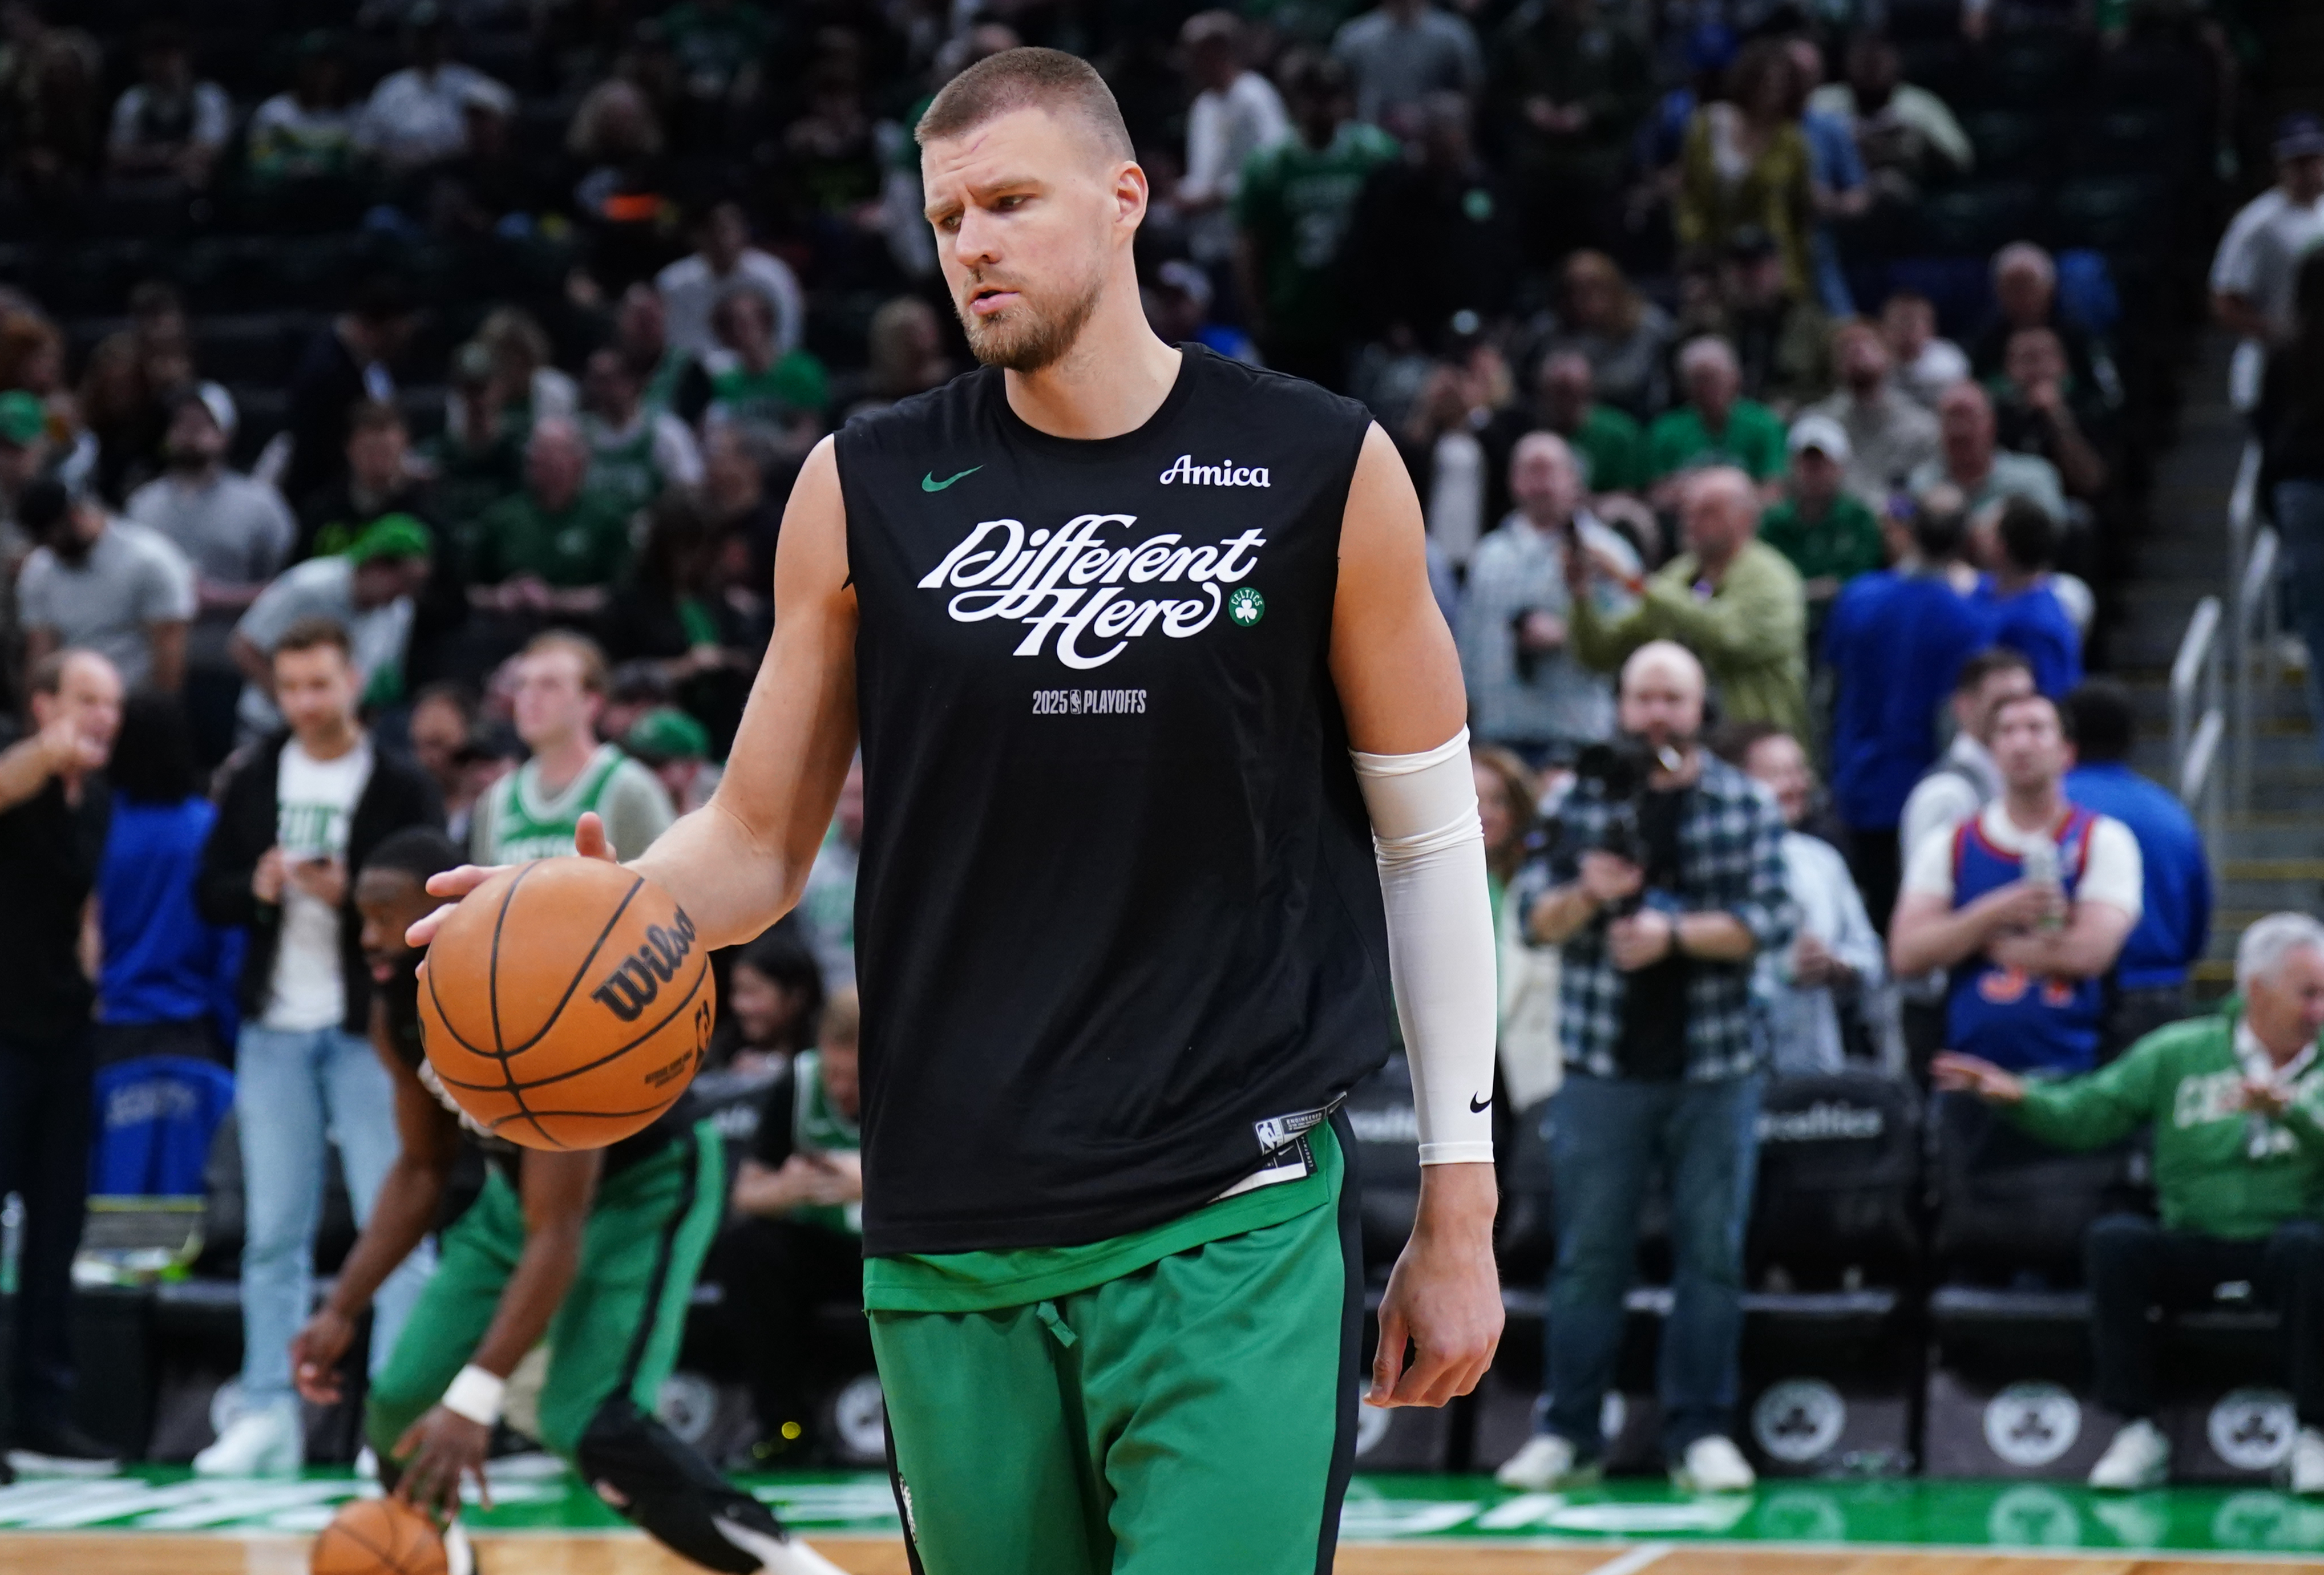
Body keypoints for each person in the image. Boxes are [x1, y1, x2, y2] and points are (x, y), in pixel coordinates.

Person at [413, 47, 1501, 1570]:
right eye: (946, 218)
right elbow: (756, 841)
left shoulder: (1318, 465)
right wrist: (595, 912)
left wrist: (1460, 1206)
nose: (973, 243)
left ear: (1125, 200)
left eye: (1009, 201)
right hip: (949, 1226)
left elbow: (1431, 842)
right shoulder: (866, 484)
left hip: (1230, 1213)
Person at [294, 828, 844, 1573]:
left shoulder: (541, 1003)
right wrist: (341, 1307)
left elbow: (559, 1232)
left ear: (448, 908)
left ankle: (795, 1567)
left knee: (588, 1421)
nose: (368, 938)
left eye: (385, 914)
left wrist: (480, 1396)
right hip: (511, 1192)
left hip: (643, 1186)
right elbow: (423, 1172)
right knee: (398, 1405)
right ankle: (446, 1559)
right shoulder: (397, 1016)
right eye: (361, 916)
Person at [1502, 641, 1793, 1493]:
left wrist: (1671, 934)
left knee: (1712, 1254)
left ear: (1700, 709)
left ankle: (1699, 1431)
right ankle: (1568, 1429)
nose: (1656, 714)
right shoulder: (1580, 801)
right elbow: (1530, 920)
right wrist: (1589, 894)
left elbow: (1771, 921)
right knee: (1588, 1255)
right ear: (1620, 708)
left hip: (1716, 1065)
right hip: (1601, 1063)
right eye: (1642, 698)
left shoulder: (1743, 802)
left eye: (1673, 698)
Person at [1933, 912, 2324, 1495]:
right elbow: (2090, 1113)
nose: (2319, 1009)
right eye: (2309, 993)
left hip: (2285, 1242)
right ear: (2256, 992)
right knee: (2116, 1241)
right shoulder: (2178, 1052)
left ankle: (2312, 1435)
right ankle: (2136, 1430)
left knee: (2310, 1248)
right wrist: (2021, 1097)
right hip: (2194, 1237)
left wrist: (2289, 1110)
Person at [192, 618, 440, 1476]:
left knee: (398, 1224)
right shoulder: (256, 773)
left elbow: (435, 888)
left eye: (318, 684)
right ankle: (267, 1410)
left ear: (354, 681)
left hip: (372, 1031)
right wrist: (256, 889)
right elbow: (209, 894)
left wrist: (354, 900)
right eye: (289, 687)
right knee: (272, 1232)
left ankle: (393, 1415)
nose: (303, 702)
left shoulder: (399, 780)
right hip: (273, 1025)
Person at [0, 650, 123, 1477]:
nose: (103, 715)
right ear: (42, 705)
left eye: (112, 702)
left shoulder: (99, 796)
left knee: (58, 1228)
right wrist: (46, 752)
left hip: (65, 1030)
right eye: (85, 699)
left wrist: (94, 974)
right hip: (1, 1031)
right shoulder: (20, 766)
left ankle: (41, 1414)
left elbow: (84, 900)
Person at [1890, 690, 2141, 1078]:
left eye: (2036, 729)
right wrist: (1993, 913)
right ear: (1991, 752)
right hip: (1969, 1069)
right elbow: (1906, 953)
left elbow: (2089, 953)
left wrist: (1977, 944)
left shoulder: (2103, 839)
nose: (2020, 743)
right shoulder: (1951, 843)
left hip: (2074, 1072)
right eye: (2006, 732)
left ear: (2066, 752)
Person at [719, 989, 866, 1465]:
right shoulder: (799, 1082)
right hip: (827, 1251)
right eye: (835, 1073)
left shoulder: (912, 1084)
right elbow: (746, 1193)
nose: (842, 1089)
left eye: (854, 1077)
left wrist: (868, 1183)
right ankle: (785, 1426)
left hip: (893, 1247)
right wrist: (788, 1188)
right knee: (749, 1247)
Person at [1569, 464, 1810, 742]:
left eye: (1708, 512)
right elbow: (1601, 653)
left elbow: (1732, 638)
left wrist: (1636, 583)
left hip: (1759, 746)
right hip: (1686, 746)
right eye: (1687, 511)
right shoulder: (1677, 578)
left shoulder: (1773, 579)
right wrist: (1580, 594)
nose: (1692, 521)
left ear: (1745, 519)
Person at [126, 386, 294, 756]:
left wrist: (221, 598)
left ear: (226, 433)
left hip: (231, 665)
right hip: (157, 670)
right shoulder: (143, 506)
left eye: (204, 423)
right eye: (182, 423)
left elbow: (288, 589)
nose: (191, 432)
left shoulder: (260, 506)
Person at [1456, 431, 1635, 763]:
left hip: (1578, 732)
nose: (1540, 483)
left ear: (1575, 479)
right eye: (1530, 471)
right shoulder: (1488, 555)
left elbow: (1633, 637)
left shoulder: (1608, 553)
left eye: (1549, 470)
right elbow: (1467, 643)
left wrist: (1571, 634)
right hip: (1499, 733)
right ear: (1513, 481)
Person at [1720, 722, 1886, 1075]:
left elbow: (1871, 959)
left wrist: (1837, 966)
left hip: (1819, 1070)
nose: (1796, 786)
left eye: (1799, 771)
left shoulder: (1822, 860)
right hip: (1737, 1069)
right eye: (1778, 774)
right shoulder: (1713, 863)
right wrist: (1781, 971)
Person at [1232, 49, 1399, 391]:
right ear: (1296, 103)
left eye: (1330, 97)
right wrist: (1258, 313)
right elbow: (1249, 246)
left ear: (1345, 102)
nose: (1322, 107)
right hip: (1293, 315)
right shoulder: (1269, 167)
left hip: (1359, 316)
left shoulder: (1376, 155)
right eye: (1313, 97)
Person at [2064, 681, 2212, 1052]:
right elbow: (2198, 913)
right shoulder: (2169, 812)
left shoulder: (2049, 810)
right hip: (2159, 994)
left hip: (2067, 994)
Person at [94, 691, 235, 1067]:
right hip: (193, 1029)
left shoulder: (97, 828)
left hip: (108, 1026)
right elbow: (229, 940)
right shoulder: (207, 827)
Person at [468, 631, 674, 865]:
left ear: (591, 702)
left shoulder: (631, 790)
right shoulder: (497, 800)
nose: (530, 697)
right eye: (522, 685)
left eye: (549, 685)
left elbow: (664, 892)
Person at [230, 514, 433, 740]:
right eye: (405, 582)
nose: (407, 593)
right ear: (376, 565)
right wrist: (297, 707)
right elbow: (244, 646)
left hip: (336, 737)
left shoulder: (399, 610)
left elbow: (378, 682)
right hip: (270, 726)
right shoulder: (309, 586)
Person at [16, 476, 192, 693]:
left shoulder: (150, 560)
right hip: (71, 701)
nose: (50, 547)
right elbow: (40, 653)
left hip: (136, 700)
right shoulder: (40, 569)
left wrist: (156, 716)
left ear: (76, 516)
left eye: (52, 536)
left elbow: (169, 651)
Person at [1675, 41, 1814, 302]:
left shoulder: (1792, 143)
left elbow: (1800, 214)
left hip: (1773, 265)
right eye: (1764, 81)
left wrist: (1797, 276)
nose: (1771, 90)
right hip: (1714, 255)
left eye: (1780, 83)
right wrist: (1694, 250)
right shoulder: (1710, 125)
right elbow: (1690, 193)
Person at [466, 417, 636, 626]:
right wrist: (502, 596)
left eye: (557, 456)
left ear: (580, 462)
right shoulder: (503, 517)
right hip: (507, 626)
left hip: (582, 629)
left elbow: (617, 595)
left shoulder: (607, 517)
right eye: (539, 456)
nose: (546, 463)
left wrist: (554, 599)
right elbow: (470, 591)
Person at [2213, 114, 2324, 412]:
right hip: (2273, 364)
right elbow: (2225, 299)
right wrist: (2279, 333)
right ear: (2281, 164)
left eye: (2313, 158)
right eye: (2298, 161)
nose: (2307, 169)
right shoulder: (2256, 224)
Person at [2259, 250, 2324, 751]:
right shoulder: (2286, 354)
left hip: (2299, 494)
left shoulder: (2286, 351)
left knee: (2318, 633)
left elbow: (2266, 430)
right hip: (2302, 490)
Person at [1173, 11, 1287, 268]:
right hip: (1208, 243)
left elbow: (1275, 165)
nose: (1187, 62)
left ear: (1218, 51)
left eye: (1193, 53)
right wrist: (1180, 193)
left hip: (1246, 242)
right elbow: (1203, 175)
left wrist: (1215, 197)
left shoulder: (1254, 97)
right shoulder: (1204, 105)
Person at [351, 5, 514, 175]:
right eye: (421, 37)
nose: (427, 44)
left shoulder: (468, 81)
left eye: (434, 37)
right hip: (402, 175)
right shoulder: (391, 87)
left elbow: (505, 110)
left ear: (446, 40)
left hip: (456, 174)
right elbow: (366, 143)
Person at [1800, 317, 1940, 505]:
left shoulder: (1922, 427)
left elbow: (1928, 487)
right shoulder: (1818, 424)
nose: (1856, 351)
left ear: (1889, 355)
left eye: (1867, 345)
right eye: (1846, 348)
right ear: (1835, 366)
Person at [1758, 413, 1882, 617]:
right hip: (1788, 620)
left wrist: (1801, 591)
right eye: (1807, 464)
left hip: (1846, 619)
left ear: (1840, 467)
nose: (1814, 473)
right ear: (1792, 466)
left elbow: (1863, 581)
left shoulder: (1860, 519)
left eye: (1822, 464)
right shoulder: (1773, 523)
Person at [656, 201, 806, 363]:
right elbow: (675, 342)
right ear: (696, 237)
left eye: (727, 230)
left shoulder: (775, 276)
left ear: (743, 231)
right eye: (712, 232)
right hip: (700, 378)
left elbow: (787, 335)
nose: (721, 240)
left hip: (766, 373)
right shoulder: (673, 283)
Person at [1645, 337, 1788, 497]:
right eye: (1699, 380)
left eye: (1714, 378)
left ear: (1735, 378)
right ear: (1685, 386)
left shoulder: (1764, 425)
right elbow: (1657, 495)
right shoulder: (1666, 430)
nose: (1707, 388)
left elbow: (1774, 491)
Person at [1909, 380, 2069, 523]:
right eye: (1951, 418)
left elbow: (2055, 534)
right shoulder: (1923, 483)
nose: (1960, 429)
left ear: (1992, 424)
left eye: (1969, 417)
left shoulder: (2034, 477)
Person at [1971, 497, 2083, 697]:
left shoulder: (2039, 628)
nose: (1977, 534)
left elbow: (2053, 701)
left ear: (2000, 548)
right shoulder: (1991, 588)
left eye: (1987, 532)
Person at [579, 347, 704, 517]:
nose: (603, 389)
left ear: (631, 382)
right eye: (596, 380)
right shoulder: (581, 433)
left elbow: (690, 487)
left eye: (609, 380)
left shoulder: (665, 432)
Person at [1331, 0, 1482, 139]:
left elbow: (1471, 94)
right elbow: (1338, 95)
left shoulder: (1454, 36)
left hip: (1432, 140)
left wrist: (1428, 112)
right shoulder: (1354, 38)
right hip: (1369, 135)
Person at [104, 22, 229, 189]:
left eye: (168, 56)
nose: (160, 64)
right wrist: (162, 156)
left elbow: (208, 151)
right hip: (142, 180)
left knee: (197, 174)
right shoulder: (134, 98)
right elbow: (117, 154)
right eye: (152, 56)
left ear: (185, 58)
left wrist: (152, 157)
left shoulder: (207, 96)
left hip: (185, 181)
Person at [713, 921, 826, 1076]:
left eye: (752, 992)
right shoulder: (722, 1051)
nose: (739, 1005)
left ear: (796, 997)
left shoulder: (824, 1050)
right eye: (736, 991)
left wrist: (778, 1070)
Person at [1531, 350, 1646, 497]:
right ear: (1543, 392)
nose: (1565, 401)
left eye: (1573, 392)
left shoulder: (1619, 434)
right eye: (1559, 392)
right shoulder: (1530, 431)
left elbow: (1632, 493)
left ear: (1589, 390)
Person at [1881, 288, 1970, 411]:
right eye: (1899, 322)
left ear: (1931, 327)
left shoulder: (1949, 361)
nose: (1905, 330)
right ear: (1885, 327)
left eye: (1912, 323)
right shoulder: (1875, 362)